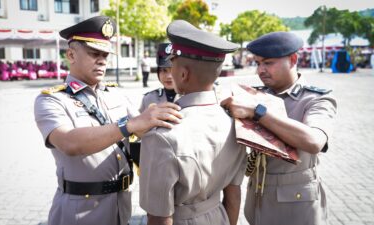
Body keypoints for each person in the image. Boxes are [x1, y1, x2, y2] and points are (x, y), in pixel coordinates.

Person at [33, 16, 182, 225]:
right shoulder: (52, 100)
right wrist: (129, 125)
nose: (102, 60)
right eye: (95, 53)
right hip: (80, 212)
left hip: (121, 207)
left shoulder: (115, 94)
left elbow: (142, 131)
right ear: (71, 55)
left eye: (105, 54)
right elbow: (69, 142)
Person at [221, 31, 337, 225]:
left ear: (293, 59)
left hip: (296, 208)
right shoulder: (256, 95)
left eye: (268, 63)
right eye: (257, 63)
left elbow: (314, 141)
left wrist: (258, 112)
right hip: (257, 201)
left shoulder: (316, 99)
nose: (260, 70)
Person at [139, 20, 248, 225]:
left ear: (183, 74)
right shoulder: (235, 123)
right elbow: (233, 196)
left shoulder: (162, 136)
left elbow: (159, 216)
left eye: (173, 65)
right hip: (220, 216)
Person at [139, 43, 178, 112]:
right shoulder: (149, 99)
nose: (169, 76)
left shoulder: (191, 98)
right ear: (158, 72)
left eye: (173, 70)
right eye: (164, 70)